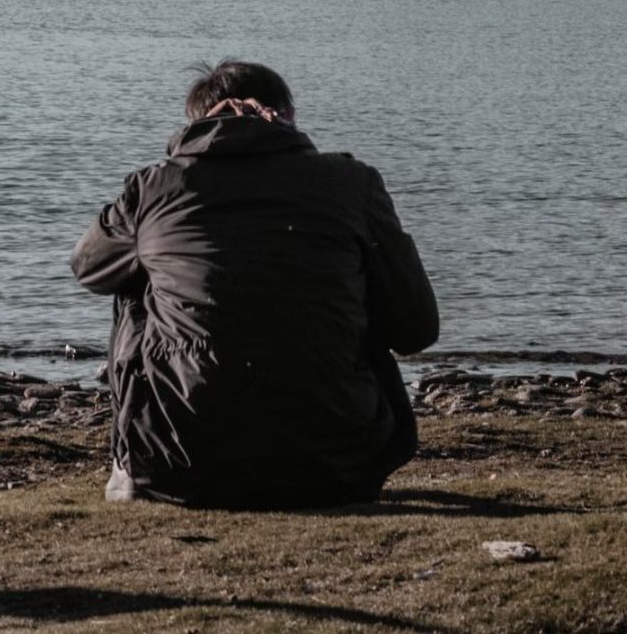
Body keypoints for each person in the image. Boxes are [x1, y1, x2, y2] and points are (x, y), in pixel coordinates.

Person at [70, 60, 438, 509]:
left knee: (133, 280)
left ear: (197, 122)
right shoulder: (352, 183)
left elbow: (87, 266)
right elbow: (416, 328)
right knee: (361, 279)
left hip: (179, 466)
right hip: (341, 467)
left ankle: (132, 466)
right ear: (286, 115)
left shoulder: (154, 187)